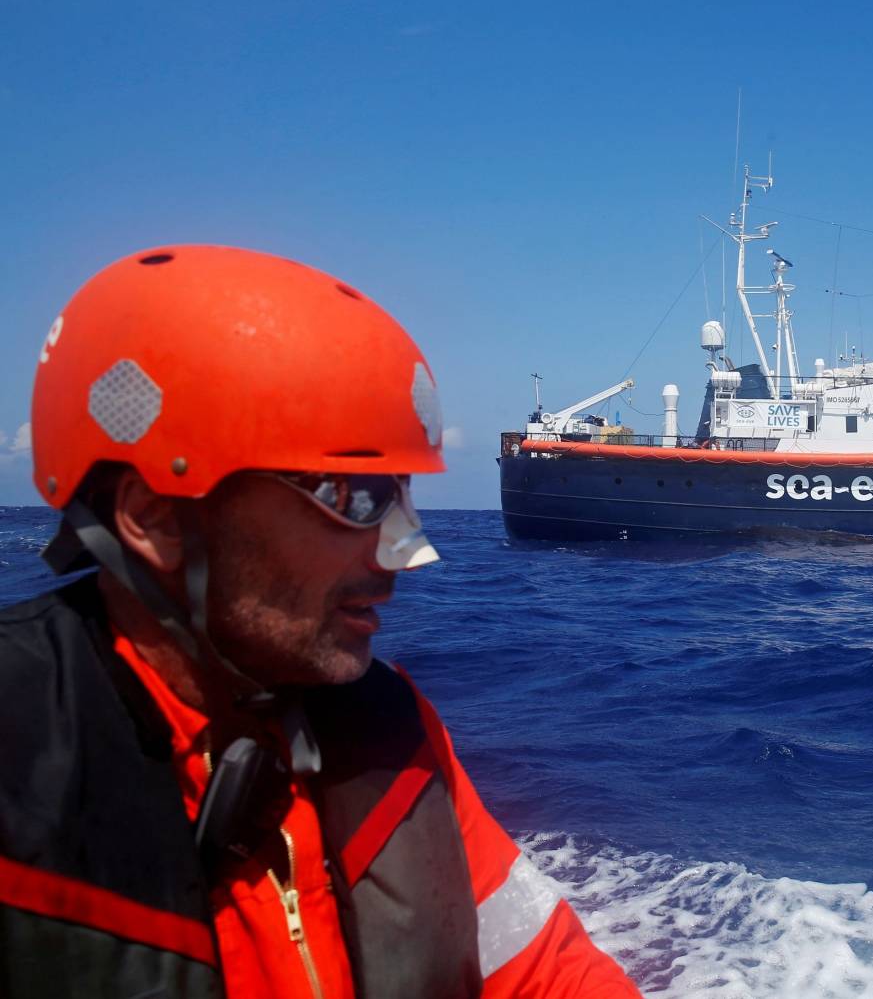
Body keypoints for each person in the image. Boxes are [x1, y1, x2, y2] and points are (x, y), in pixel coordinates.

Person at [0, 246, 641, 998]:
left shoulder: (389, 735)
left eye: (401, 497)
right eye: (352, 496)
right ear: (156, 520)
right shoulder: (22, 773)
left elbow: (550, 978)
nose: (406, 553)